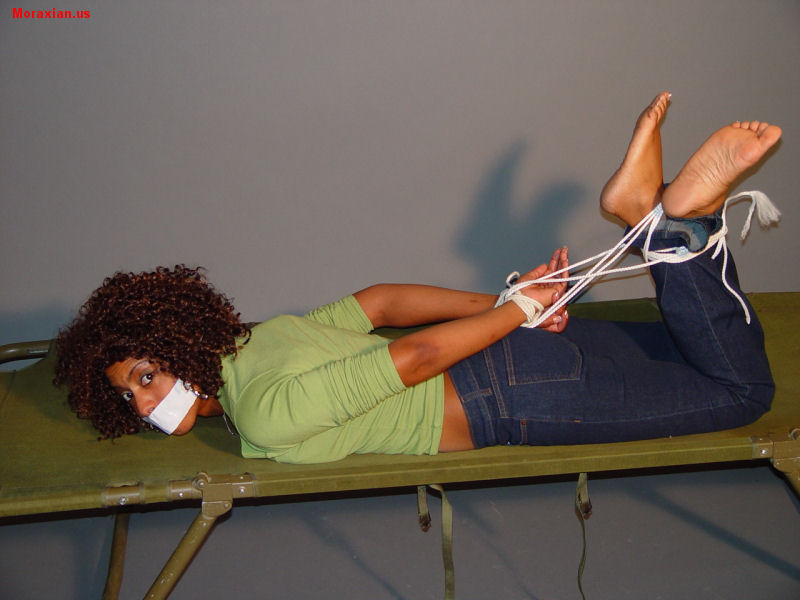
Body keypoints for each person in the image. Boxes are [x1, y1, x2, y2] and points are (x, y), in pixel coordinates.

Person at [54, 92, 782, 463]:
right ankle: (649, 215)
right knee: (686, 353)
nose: (143, 401)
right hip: (501, 352)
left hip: (512, 394)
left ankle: (680, 223)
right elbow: (382, 303)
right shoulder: (258, 340)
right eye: (127, 395)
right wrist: (507, 306)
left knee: (743, 393)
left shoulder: (262, 414)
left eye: (144, 375)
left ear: (174, 346)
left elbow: (417, 355)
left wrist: (517, 311)